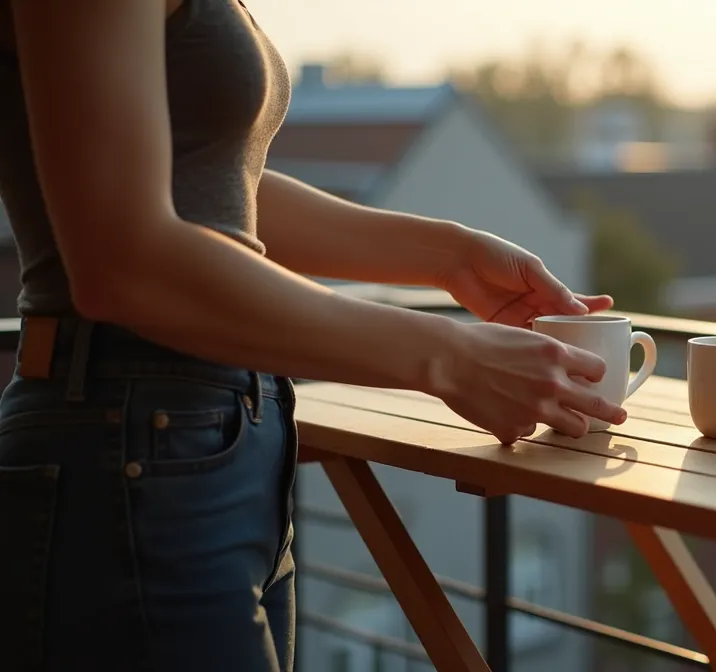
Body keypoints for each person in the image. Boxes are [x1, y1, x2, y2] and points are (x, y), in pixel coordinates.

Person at [0, 0, 627, 670]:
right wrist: (450, 356)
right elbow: (122, 263)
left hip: (212, 443)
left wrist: (451, 256)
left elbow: (213, 189)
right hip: (130, 448)